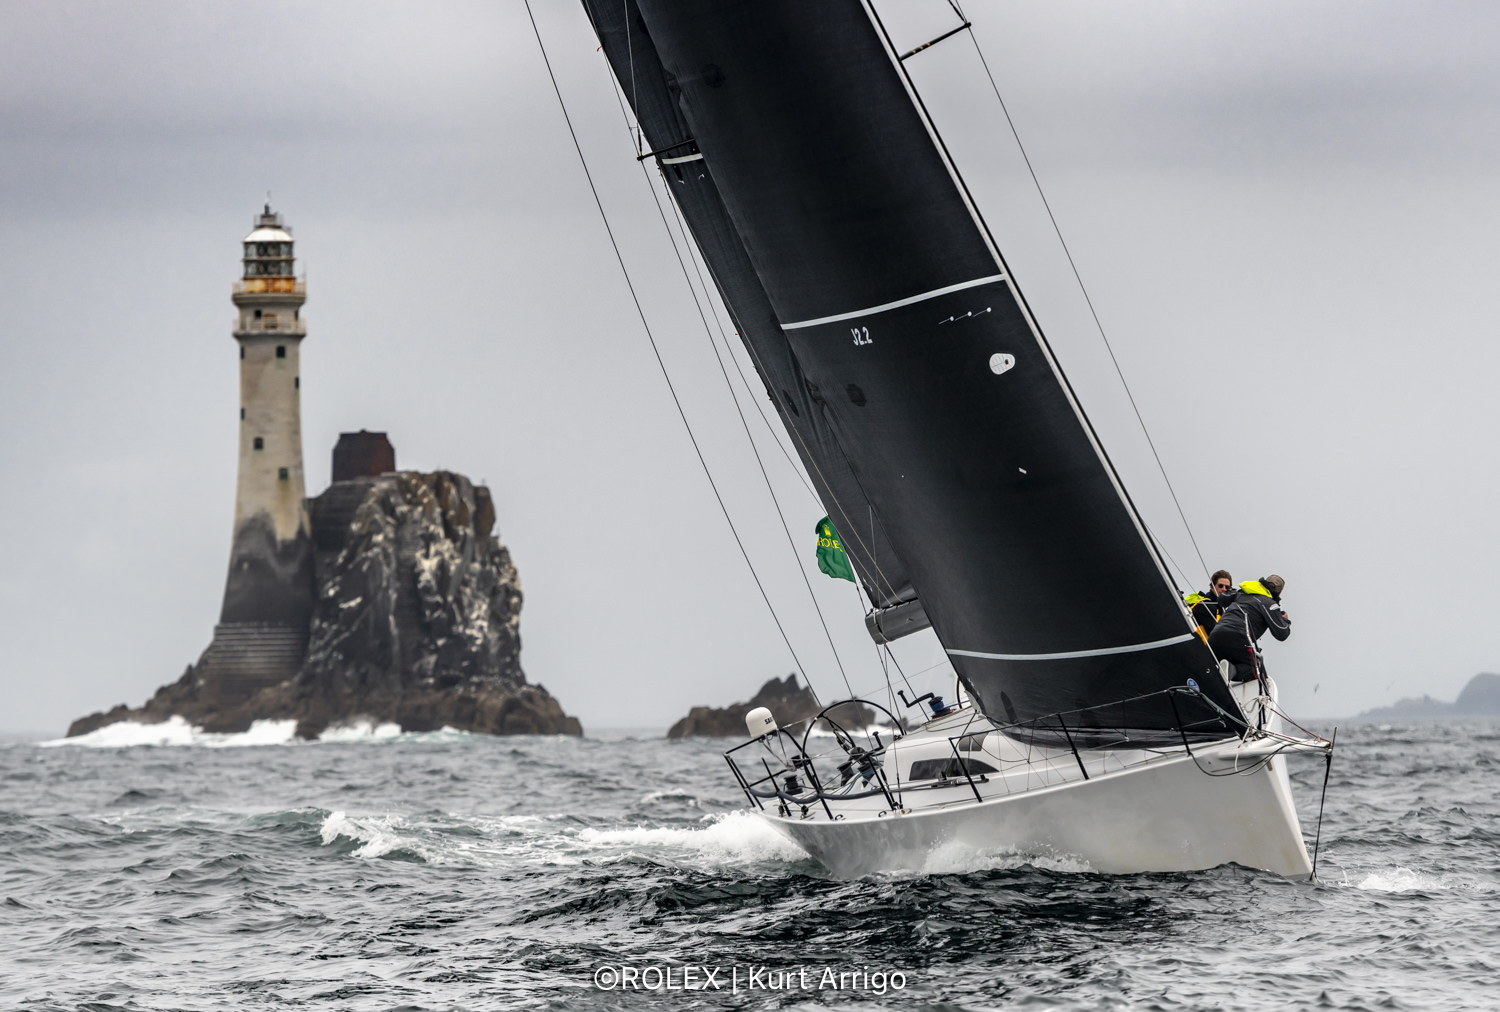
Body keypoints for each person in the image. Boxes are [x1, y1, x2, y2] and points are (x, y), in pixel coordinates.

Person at [1207, 574, 1291, 683]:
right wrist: (1285, 620)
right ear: (1279, 592)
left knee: (1209, 666)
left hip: (1216, 635)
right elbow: (1282, 633)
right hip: (1238, 637)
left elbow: (1222, 599)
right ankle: (1231, 670)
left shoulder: (1243, 592)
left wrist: (1234, 592)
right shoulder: (1270, 604)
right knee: (1257, 670)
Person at [1183, 570, 1234, 640]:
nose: (1224, 589)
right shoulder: (1205, 606)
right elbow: (1216, 636)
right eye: (1220, 586)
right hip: (1195, 648)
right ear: (1212, 587)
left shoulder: (1222, 610)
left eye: (1227, 587)